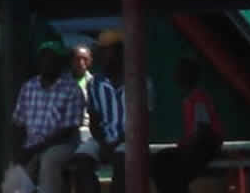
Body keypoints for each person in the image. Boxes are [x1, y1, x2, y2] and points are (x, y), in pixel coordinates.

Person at [13, 41, 89, 193]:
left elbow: (68, 130)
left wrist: (36, 149)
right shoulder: (29, 87)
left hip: (62, 145)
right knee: (19, 177)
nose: (48, 63)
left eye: (53, 59)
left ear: (60, 63)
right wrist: (19, 151)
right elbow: (18, 123)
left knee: (49, 160)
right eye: (45, 58)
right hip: (32, 145)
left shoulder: (71, 88)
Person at [82, 35, 149, 193]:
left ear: (121, 54)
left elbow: (144, 121)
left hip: (130, 140)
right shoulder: (94, 83)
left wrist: (118, 142)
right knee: (81, 161)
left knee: (121, 159)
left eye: (108, 52)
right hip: (103, 139)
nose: (104, 57)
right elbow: (94, 120)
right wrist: (104, 143)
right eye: (102, 52)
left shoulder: (141, 82)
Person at [150, 59, 223, 193]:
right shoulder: (191, 98)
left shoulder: (198, 98)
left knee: (168, 169)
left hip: (204, 147)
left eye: (180, 72)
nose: (176, 76)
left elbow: (204, 131)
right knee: (160, 160)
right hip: (197, 146)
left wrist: (186, 148)